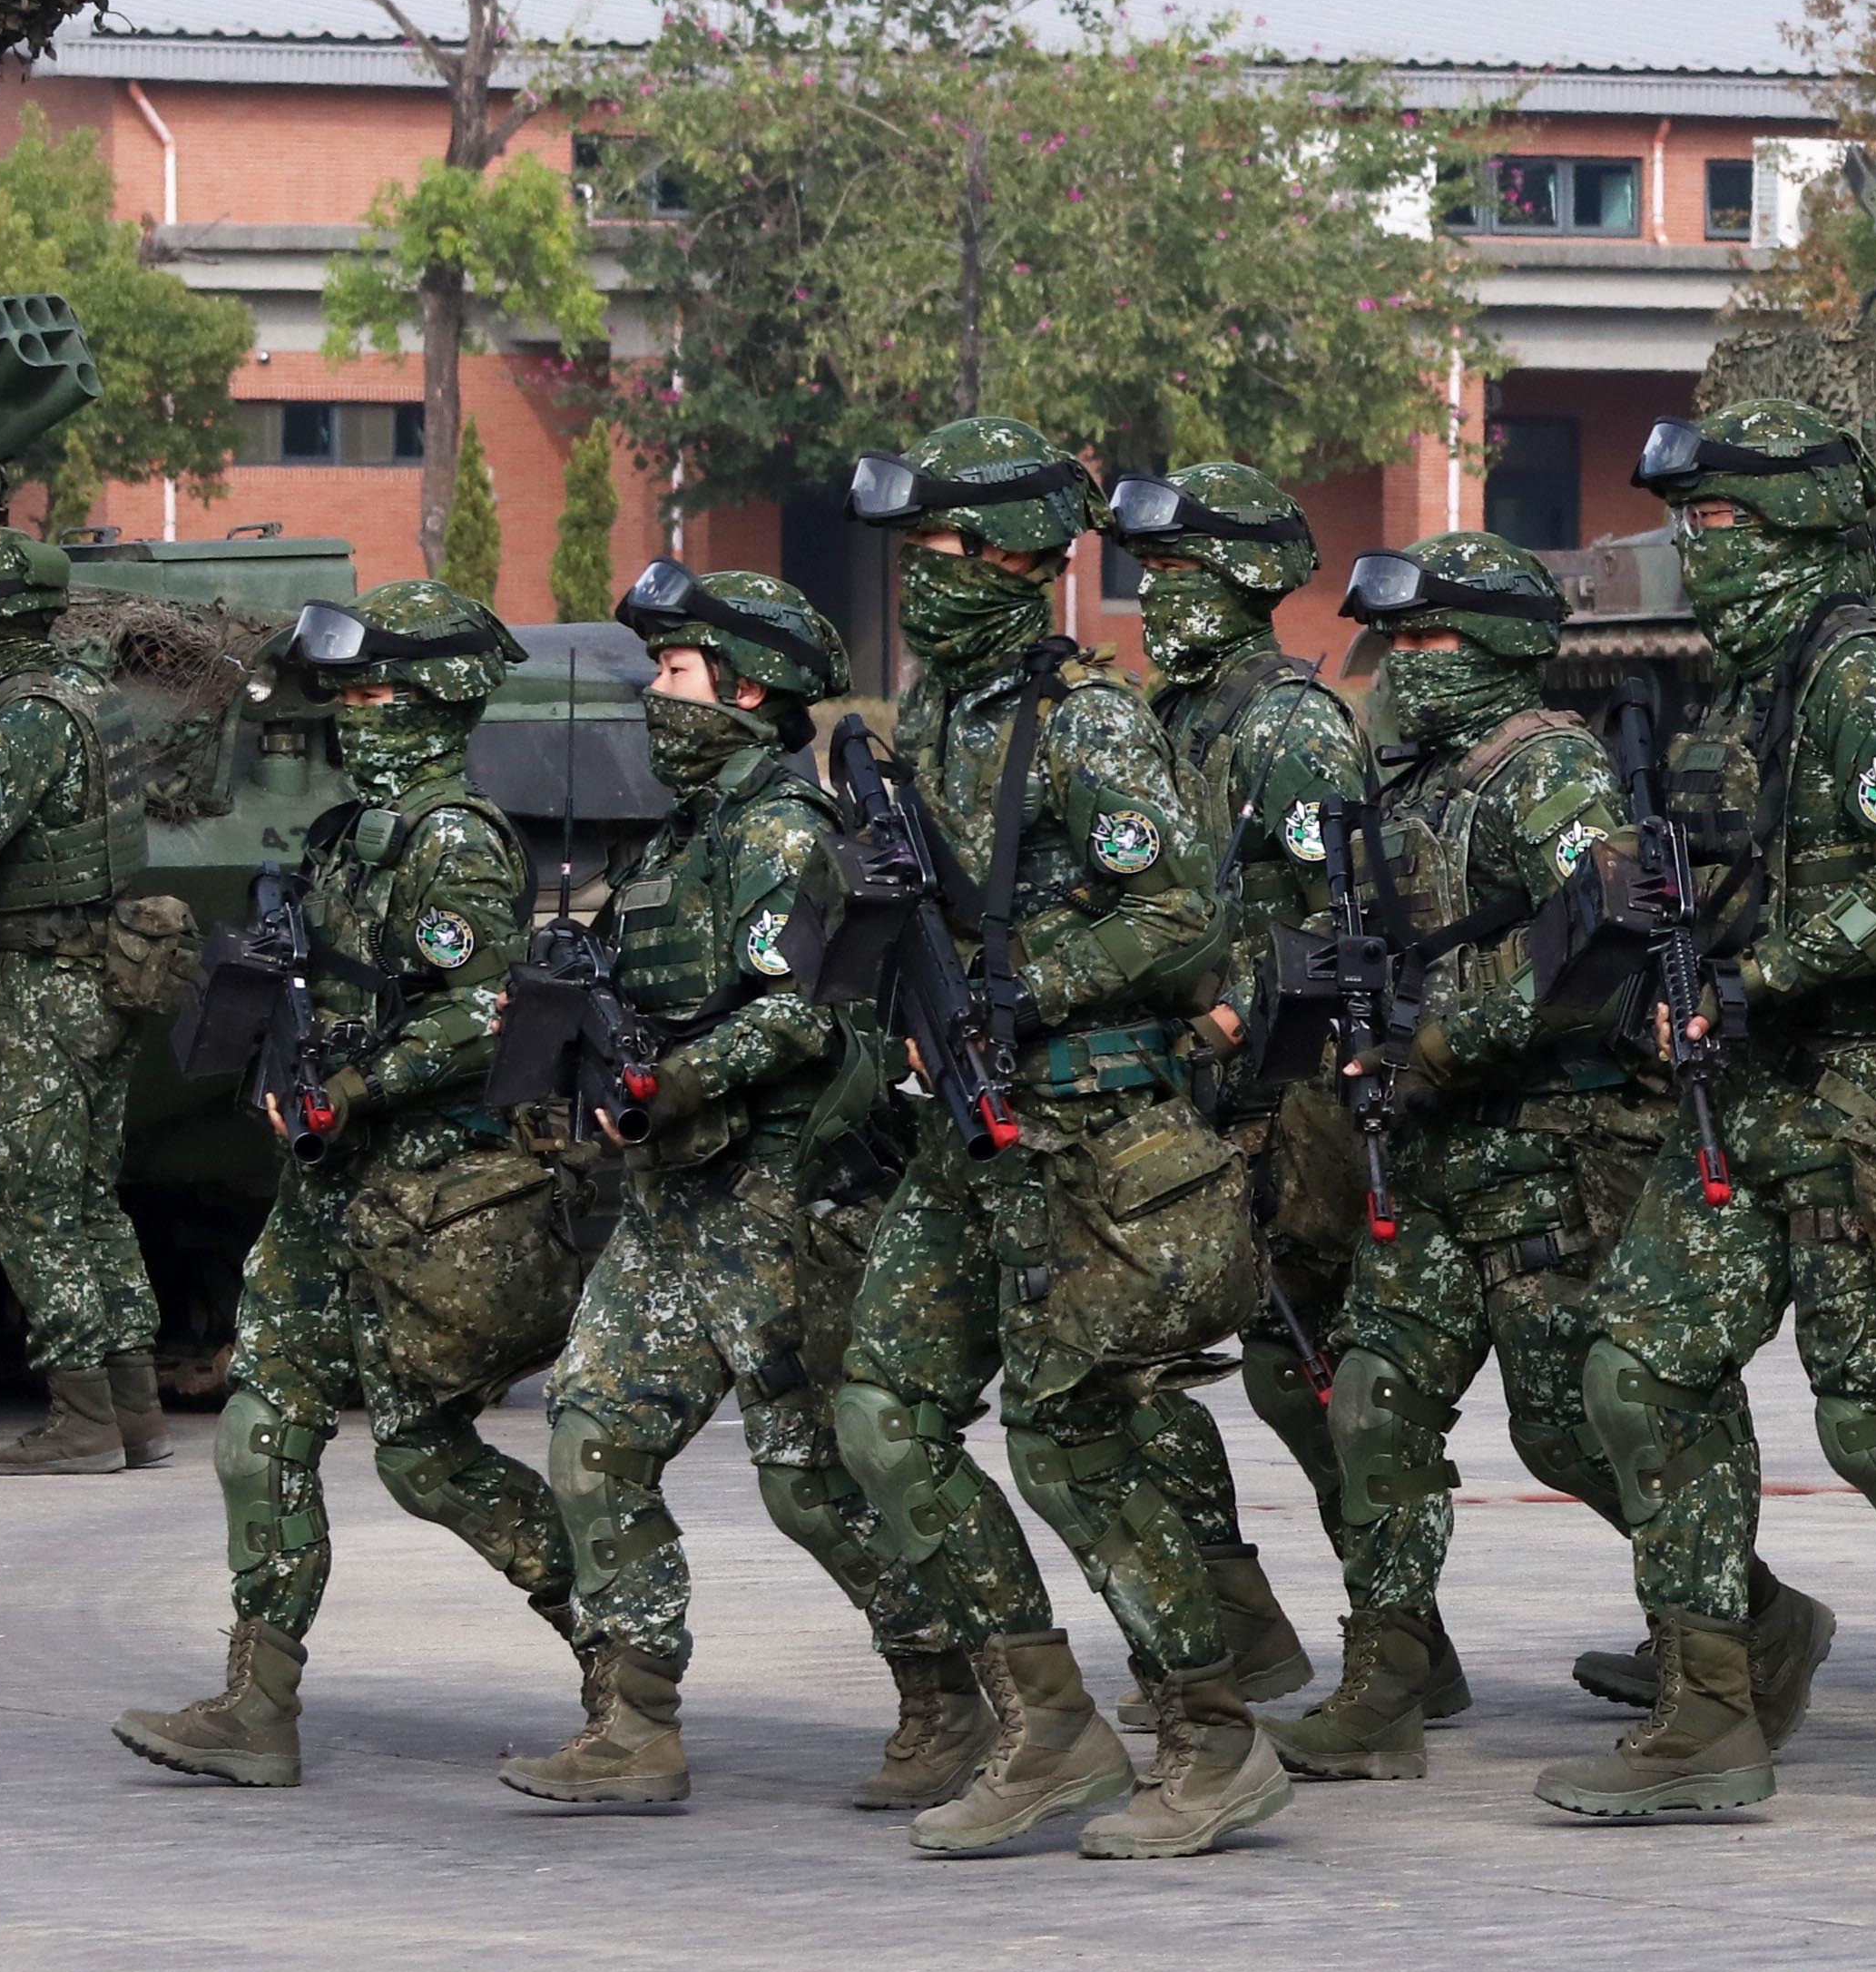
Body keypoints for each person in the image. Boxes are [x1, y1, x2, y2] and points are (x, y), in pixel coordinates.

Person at [1551, 404, 1876, 1830]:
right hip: (1754, 1092)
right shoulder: (1757, 684)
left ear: (1796, 529)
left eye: (1720, 528)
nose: (1696, 552)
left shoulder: (1867, 679)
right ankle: (1714, 1700)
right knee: (1639, 1370)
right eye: (1691, 528)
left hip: (1864, 1090)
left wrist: (1758, 975)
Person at [822, 417, 1280, 1859]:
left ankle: (1212, 1740)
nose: (925, 576)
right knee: (882, 1413)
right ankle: (1050, 1725)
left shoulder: (1085, 722)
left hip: (1094, 1134)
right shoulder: (936, 716)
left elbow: (1180, 915)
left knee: (1070, 1441)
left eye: (948, 548)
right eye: (916, 553)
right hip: (973, 1133)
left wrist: (1029, 987)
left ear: (1022, 557)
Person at [499, 564, 951, 1807]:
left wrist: (663, 1087)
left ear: (747, 690)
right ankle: (636, 1724)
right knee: (594, 1435)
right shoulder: (682, 836)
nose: (656, 692)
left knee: (810, 1482)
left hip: (780, 1197)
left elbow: (794, 1020)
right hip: (671, 1200)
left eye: (678, 672)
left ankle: (946, 1693)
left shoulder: (780, 831)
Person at [119, 582, 577, 1789]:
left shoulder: (455, 838)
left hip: (434, 1192)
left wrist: (358, 1085)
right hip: (328, 1191)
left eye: (378, 692)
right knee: (261, 1422)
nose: (358, 716)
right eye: (351, 696)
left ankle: (622, 1651)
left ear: (434, 703)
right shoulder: (342, 837)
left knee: (426, 1457)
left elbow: (480, 1011)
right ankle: (256, 1703)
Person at [1265, 533, 1684, 1781]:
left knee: (1569, 1429)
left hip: (1554, 1149)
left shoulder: (1546, 771)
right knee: (1374, 1396)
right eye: (1405, 641)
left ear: (1502, 646)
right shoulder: (1418, 782)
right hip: (1437, 1152)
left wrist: (1451, 1040)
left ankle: (1745, 1625)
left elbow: (1599, 956)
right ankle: (1385, 1688)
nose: (1413, 663)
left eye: (1439, 639)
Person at [1104, 465, 1361, 1724]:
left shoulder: (1289, 727)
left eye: (1183, 576)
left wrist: (1229, 1018)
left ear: (1252, 580)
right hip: (1202, 1099)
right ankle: (1240, 1630)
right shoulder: (1174, 718)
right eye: (1152, 577)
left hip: (1290, 1104)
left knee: (1313, 1381)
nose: (1160, 601)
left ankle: (1390, 1640)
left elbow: (1344, 929)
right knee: (1162, 1367)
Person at [0, 530, 167, 1475]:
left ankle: (80, 1418)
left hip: (48, 982)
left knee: (33, 1202)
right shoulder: (89, 694)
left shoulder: (26, 717)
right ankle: (137, 1408)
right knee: (91, 1195)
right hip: (106, 972)